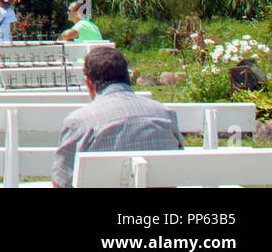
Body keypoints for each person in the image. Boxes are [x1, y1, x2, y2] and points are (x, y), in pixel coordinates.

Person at [51, 46, 183, 187]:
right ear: (127, 77)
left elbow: (61, 182)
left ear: (88, 82)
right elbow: (176, 168)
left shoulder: (79, 122)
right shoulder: (165, 114)